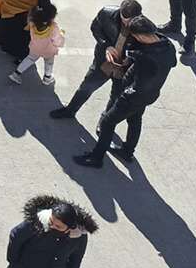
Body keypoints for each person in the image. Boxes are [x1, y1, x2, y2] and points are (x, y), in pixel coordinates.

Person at [74, 17, 177, 167]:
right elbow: (172, 63)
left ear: (141, 36)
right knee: (135, 119)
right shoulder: (167, 45)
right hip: (151, 94)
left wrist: (126, 93)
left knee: (107, 122)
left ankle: (96, 158)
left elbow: (140, 82)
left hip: (134, 96)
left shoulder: (146, 57)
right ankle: (127, 151)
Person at [49, 0, 143, 122]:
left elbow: (145, 48)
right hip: (104, 62)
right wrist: (106, 46)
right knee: (86, 86)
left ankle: (105, 122)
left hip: (124, 68)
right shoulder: (106, 13)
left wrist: (130, 58)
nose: (127, 24)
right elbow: (95, 28)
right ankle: (70, 110)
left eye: (131, 21)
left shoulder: (143, 26)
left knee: (115, 96)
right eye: (124, 20)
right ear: (120, 12)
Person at [2, 196, 97, 268]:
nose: (52, 226)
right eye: (51, 222)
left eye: (58, 226)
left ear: (69, 228)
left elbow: (77, 257)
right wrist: (14, 262)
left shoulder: (79, 237)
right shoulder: (37, 223)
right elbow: (16, 235)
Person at [9, 1, 63, 85]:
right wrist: (61, 38)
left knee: (29, 59)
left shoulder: (32, 24)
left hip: (35, 48)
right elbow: (57, 40)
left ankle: (16, 73)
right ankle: (47, 77)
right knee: (49, 63)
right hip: (48, 50)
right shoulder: (53, 27)